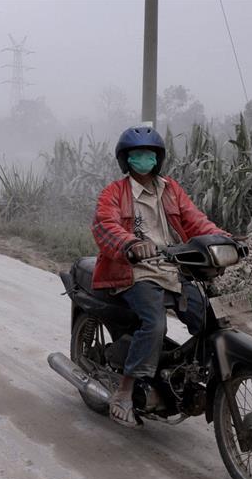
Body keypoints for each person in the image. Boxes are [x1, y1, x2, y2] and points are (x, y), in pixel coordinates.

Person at [91, 126, 228, 428]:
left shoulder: (170, 189)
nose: (145, 159)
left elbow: (195, 220)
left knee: (209, 317)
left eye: (150, 154)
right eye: (137, 154)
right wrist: (130, 244)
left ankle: (191, 374)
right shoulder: (114, 192)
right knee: (154, 323)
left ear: (159, 158)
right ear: (126, 159)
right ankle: (125, 391)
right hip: (134, 271)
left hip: (173, 268)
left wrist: (222, 237)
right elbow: (105, 226)